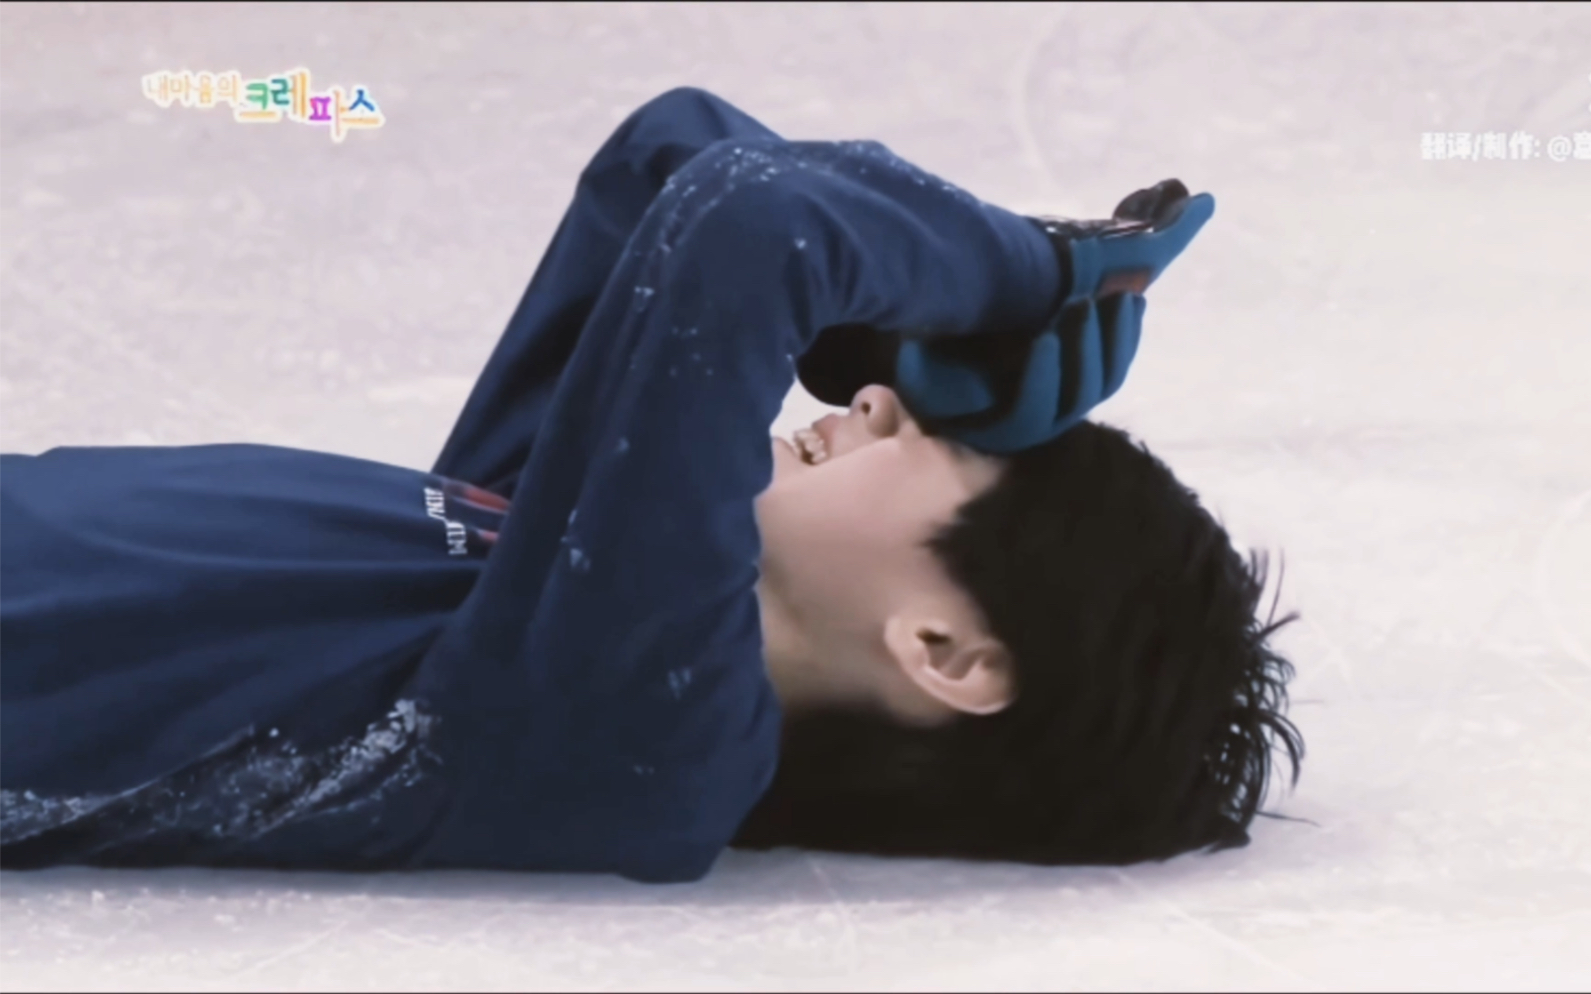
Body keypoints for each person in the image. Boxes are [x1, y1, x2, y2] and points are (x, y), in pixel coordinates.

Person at [0, 88, 1302, 883]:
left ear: (947, 650)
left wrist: (1021, 275)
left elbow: (752, 222)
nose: (878, 405)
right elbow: (668, 158)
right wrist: (885, 327)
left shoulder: (645, 737)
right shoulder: (543, 585)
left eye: (946, 443)